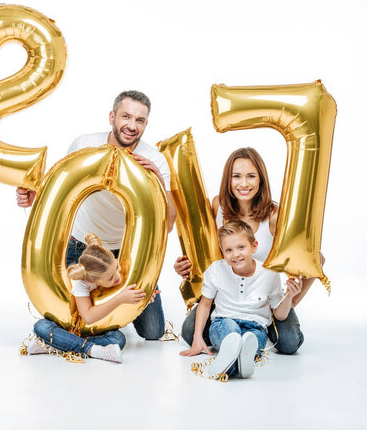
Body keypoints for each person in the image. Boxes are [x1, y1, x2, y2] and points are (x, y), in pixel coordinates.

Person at [17, 90, 176, 340]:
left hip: (122, 257)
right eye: (126, 116)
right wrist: (31, 197)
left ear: (146, 124)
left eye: (140, 120)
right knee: (67, 317)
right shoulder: (84, 145)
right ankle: (101, 336)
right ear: (112, 116)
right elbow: (59, 194)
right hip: (79, 249)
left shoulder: (155, 159)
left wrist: (156, 180)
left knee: (153, 331)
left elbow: (167, 225)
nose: (131, 126)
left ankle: (101, 326)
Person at [175, 147, 320, 354]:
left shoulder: (274, 216)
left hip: (261, 301)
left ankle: (254, 331)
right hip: (227, 299)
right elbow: (205, 251)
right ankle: (232, 336)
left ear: (261, 180)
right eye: (236, 176)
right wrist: (186, 267)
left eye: (251, 176)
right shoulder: (219, 206)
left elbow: (315, 258)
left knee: (289, 343)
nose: (244, 184)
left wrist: (291, 299)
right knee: (190, 333)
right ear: (228, 180)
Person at [180, 220, 302, 379]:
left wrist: (290, 296)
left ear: (254, 246)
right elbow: (204, 305)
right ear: (222, 251)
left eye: (241, 247)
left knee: (250, 341)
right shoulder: (216, 269)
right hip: (224, 322)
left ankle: (230, 366)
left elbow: (279, 316)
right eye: (228, 250)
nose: (235, 254)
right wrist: (197, 338)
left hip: (255, 327)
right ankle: (238, 363)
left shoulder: (269, 274)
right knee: (231, 333)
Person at [27, 233, 147, 363]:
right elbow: (88, 317)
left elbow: (125, 288)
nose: (118, 276)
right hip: (71, 326)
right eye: (111, 278)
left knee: (118, 339)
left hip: (95, 329)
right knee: (41, 326)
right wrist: (120, 298)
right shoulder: (81, 284)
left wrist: (143, 297)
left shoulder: (108, 266)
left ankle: (55, 345)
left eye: (116, 267)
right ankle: (93, 350)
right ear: (93, 280)